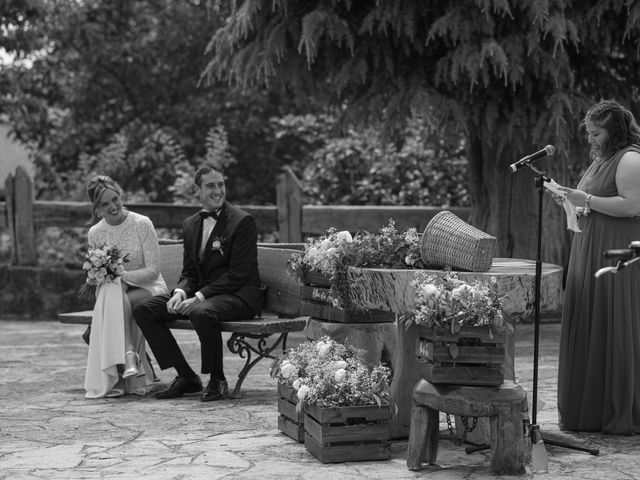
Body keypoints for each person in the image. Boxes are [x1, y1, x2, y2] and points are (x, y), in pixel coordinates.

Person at [133, 165, 264, 401]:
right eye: (211, 185)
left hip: (240, 295)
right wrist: (181, 292)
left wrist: (199, 296)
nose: (218, 190)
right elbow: (190, 270)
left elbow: (239, 273)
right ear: (198, 190)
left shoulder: (243, 221)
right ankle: (186, 377)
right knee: (145, 310)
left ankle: (217, 379)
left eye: (221, 184)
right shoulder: (191, 224)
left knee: (202, 312)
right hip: (205, 296)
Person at [555, 99, 640, 434]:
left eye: (596, 132)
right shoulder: (602, 159)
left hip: (615, 249)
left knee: (614, 321)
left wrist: (586, 200)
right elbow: (593, 201)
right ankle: (590, 406)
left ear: (614, 130)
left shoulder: (630, 158)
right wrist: (571, 199)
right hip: (590, 244)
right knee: (594, 319)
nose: (590, 138)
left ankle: (620, 405)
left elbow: (633, 205)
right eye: (588, 132)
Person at [84, 175, 168, 398]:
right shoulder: (96, 233)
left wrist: (121, 276)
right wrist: (95, 275)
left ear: (120, 195)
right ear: (97, 208)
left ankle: (120, 372)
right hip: (117, 293)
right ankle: (131, 359)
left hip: (151, 288)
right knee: (113, 291)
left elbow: (153, 271)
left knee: (114, 292)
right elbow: (97, 275)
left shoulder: (142, 224)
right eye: (104, 204)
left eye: (115, 199)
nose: (113, 206)